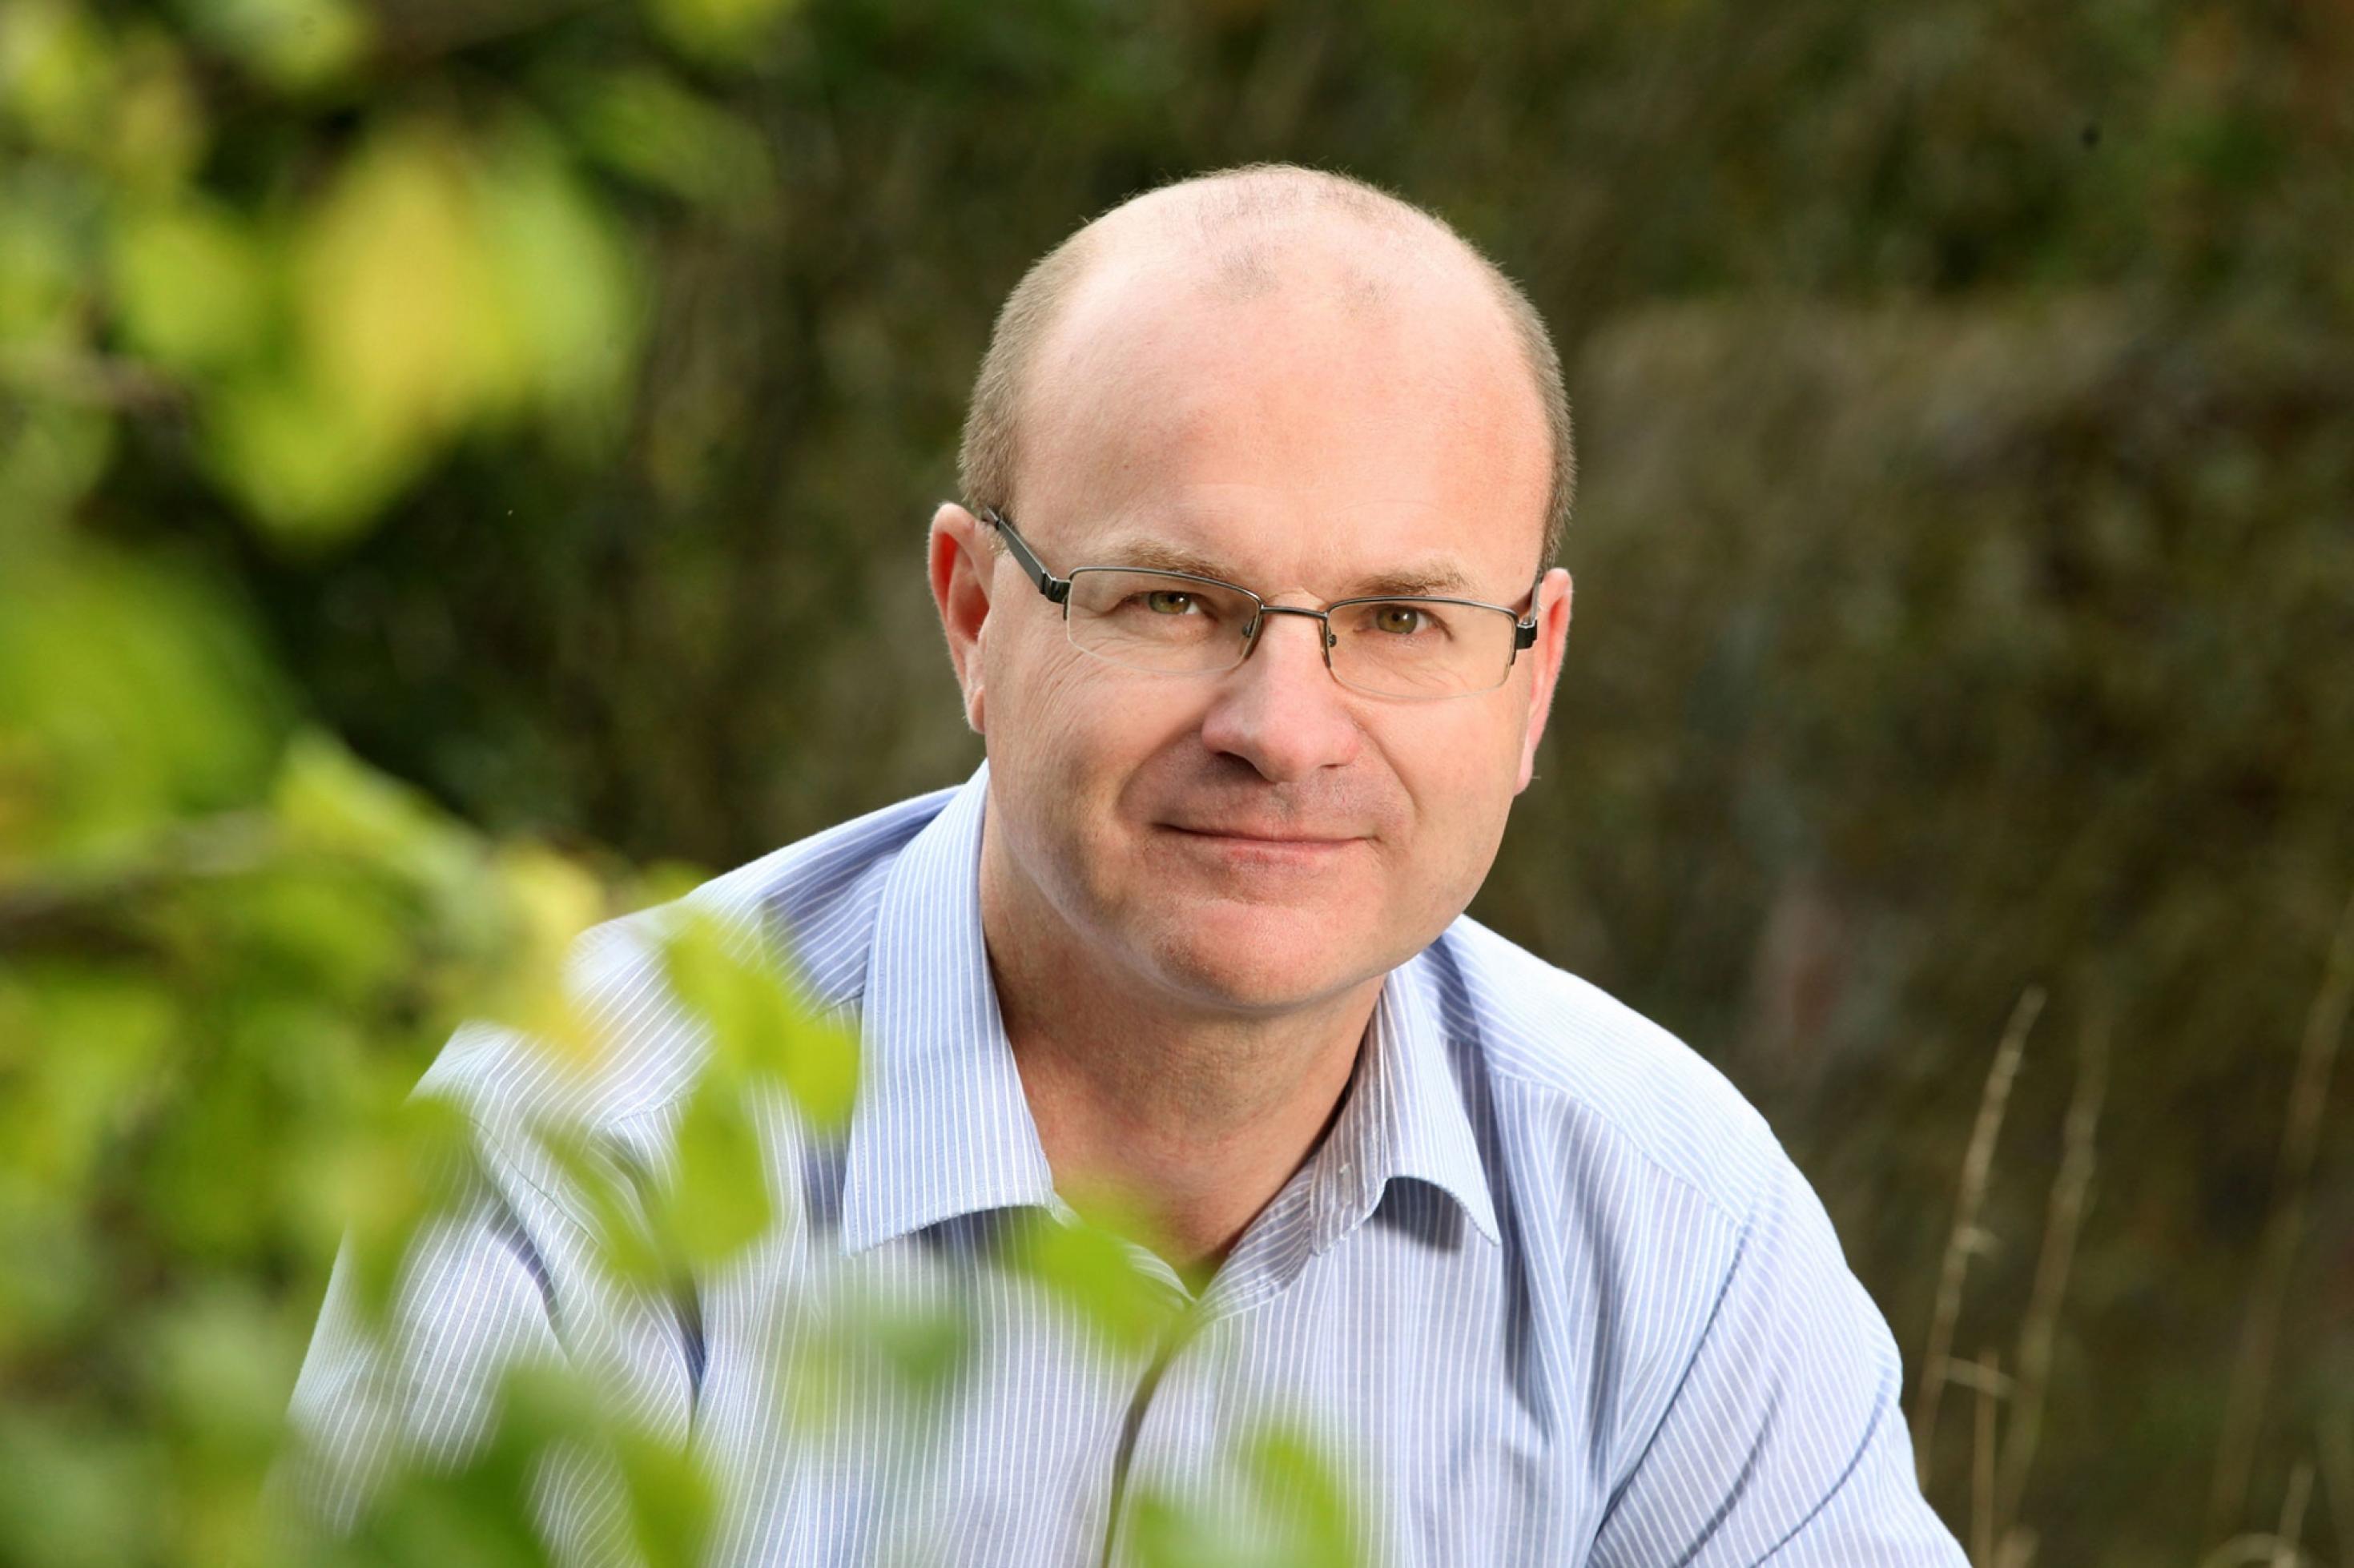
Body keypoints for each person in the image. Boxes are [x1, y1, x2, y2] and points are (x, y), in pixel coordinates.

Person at [283, 164, 1966, 1564]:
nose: (1284, 728)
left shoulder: (1675, 1228)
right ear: (973, 614)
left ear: (1533, 676)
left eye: (1399, 618)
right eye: (1176, 600)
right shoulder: (596, 1144)